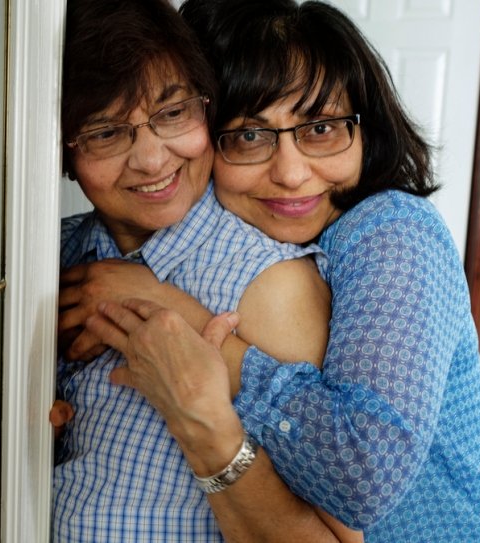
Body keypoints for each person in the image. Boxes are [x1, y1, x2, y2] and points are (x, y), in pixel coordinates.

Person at [73, 1, 480, 541]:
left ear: (365, 130)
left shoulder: (391, 230)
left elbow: (363, 479)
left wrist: (184, 319)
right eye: (248, 137)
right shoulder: (211, 239)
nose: (290, 173)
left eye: (321, 129)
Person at [52, 0, 360, 541]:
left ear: (207, 110)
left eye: (173, 114)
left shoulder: (269, 285)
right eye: (104, 132)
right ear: (61, 154)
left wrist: (202, 422)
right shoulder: (56, 254)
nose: (152, 160)